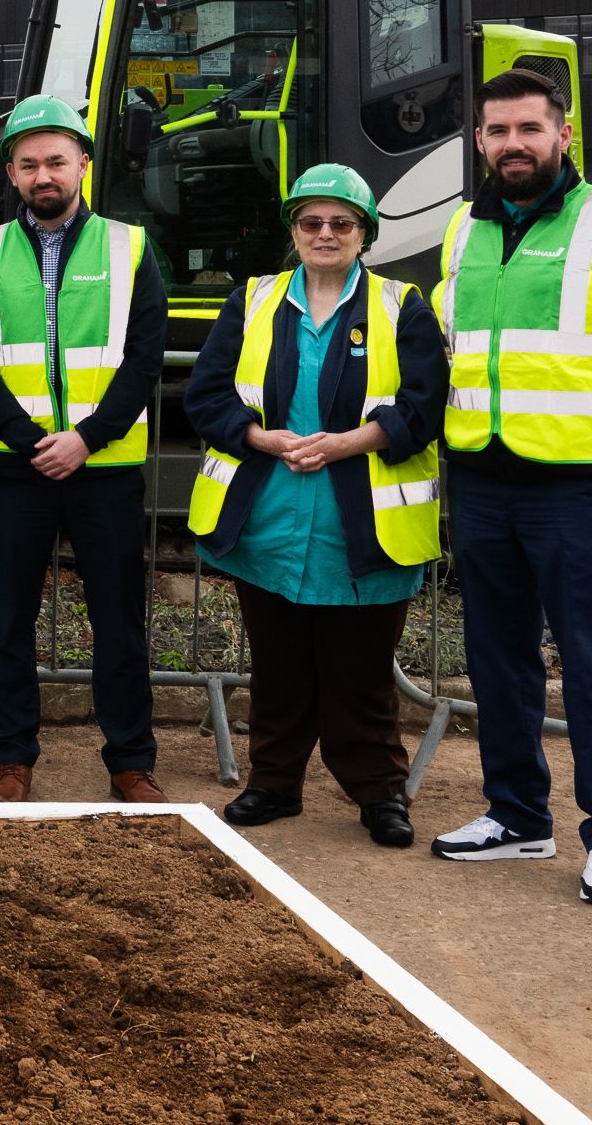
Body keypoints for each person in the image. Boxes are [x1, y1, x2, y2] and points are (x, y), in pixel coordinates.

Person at [428, 69, 592, 906]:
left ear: (562, 135)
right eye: (498, 131)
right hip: (482, 478)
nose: (513, 145)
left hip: (577, 488)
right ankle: (516, 815)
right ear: (479, 142)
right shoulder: (461, 231)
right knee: (497, 658)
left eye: (529, 130)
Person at [185, 164, 442, 850]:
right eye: (311, 223)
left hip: (361, 525)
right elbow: (206, 396)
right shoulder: (255, 299)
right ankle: (274, 782)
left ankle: (380, 792)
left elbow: (425, 405)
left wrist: (349, 444)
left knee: (361, 674)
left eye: (341, 223)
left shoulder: (402, 305)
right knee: (280, 666)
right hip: (268, 520)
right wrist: (259, 436)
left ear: (364, 235)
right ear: (293, 232)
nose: (325, 234)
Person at [0, 94, 170, 803]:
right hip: (18, 468)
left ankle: (131, 762)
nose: (44, 175)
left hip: (102, 467)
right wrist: (28, 439)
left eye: (56, 161)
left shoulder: (130, 246)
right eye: (29, 164)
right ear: (11, 174)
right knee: (8, 619)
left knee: (118, 623)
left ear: (82, 164)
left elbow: (143, 359)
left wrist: (84, 439)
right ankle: (11, 759)